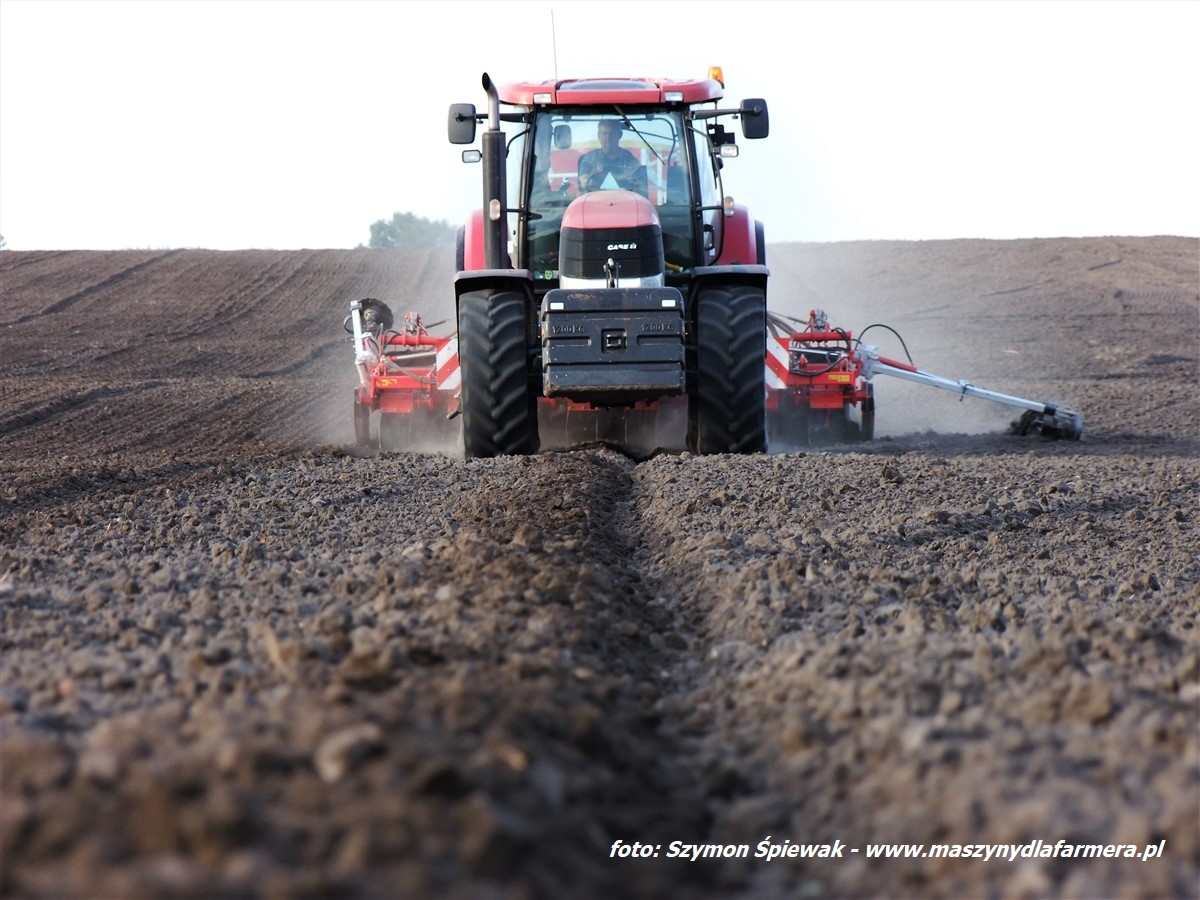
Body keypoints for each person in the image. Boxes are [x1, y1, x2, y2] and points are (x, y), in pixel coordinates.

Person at [577, 119, 646, 194]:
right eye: (605, 133)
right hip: (594, 203)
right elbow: (583, 186)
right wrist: (594, 177)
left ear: (619, 135)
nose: (608, 137)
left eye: (612, 134)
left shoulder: (630, 162)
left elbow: (641, 189)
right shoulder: (589, 161)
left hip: (626, 203)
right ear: (599, 135)